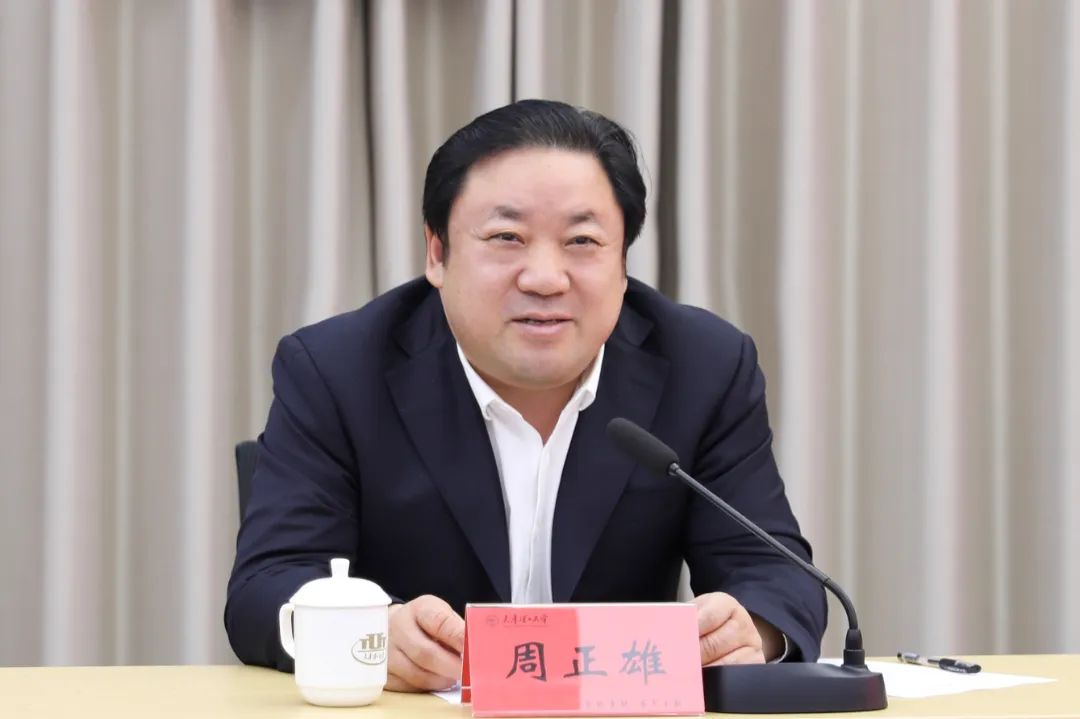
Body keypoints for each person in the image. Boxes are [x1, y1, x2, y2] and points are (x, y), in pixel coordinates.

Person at [225, 99, 826, 691]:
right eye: (507, 236)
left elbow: (775, 575)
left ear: (622, 263)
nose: (544, 278)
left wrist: (751, 631)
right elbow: (267, 585)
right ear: (437, 253)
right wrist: (373, 633)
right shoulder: (337, 370)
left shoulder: (704, 367)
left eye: (582, 241)